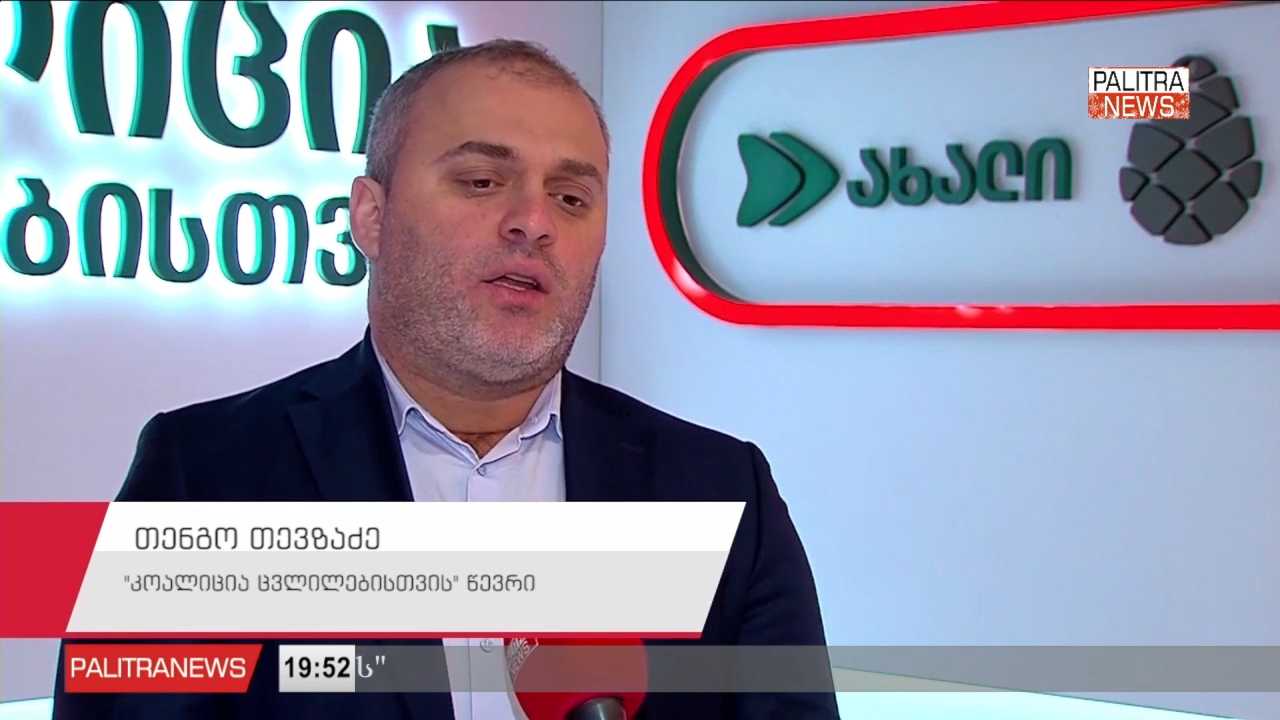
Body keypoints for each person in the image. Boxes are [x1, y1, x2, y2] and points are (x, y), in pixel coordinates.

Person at [53, 39, 837, 719]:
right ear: (371, 217)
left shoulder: (719, 491)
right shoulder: (209, 474)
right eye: (481, 182)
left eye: (570, 197)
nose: (534, 222)